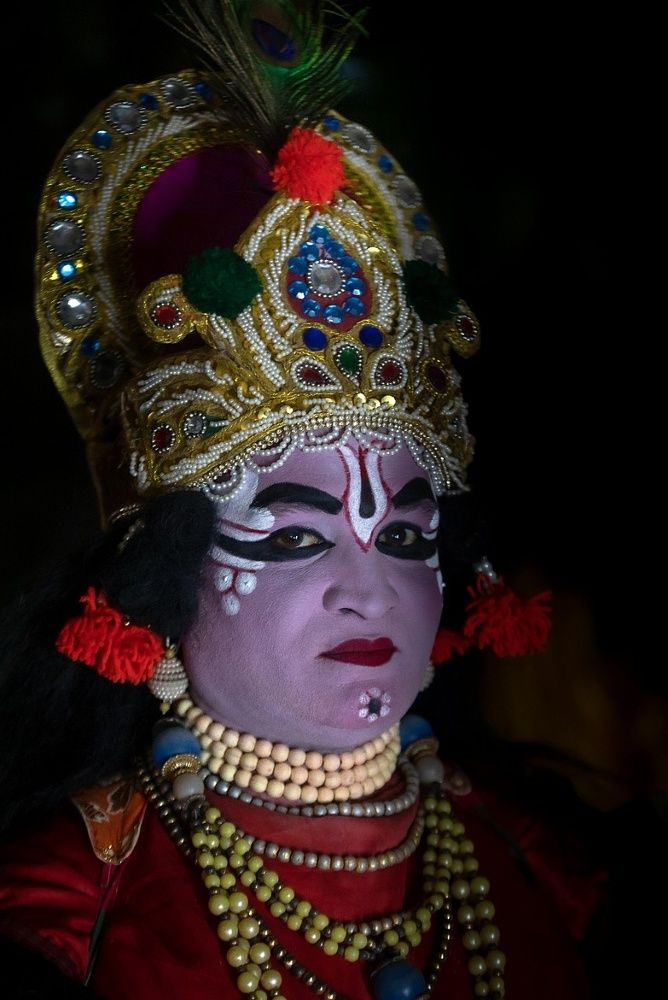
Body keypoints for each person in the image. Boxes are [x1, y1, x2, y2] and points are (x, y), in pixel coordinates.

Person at [0, 2, 605, 997]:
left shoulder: (555, 866)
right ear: (156, 575)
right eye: (290, 537)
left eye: (406, 532)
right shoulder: (63, 909)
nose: (369, 590)